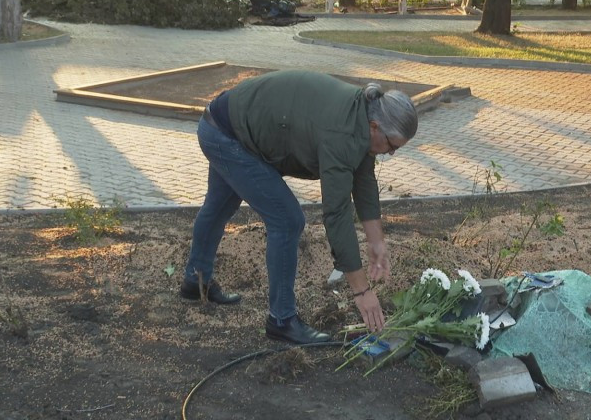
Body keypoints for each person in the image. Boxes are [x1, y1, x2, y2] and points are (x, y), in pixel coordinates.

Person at [179, 70, 418, 345]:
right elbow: (337, 213)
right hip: (225, 134)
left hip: (228, 122)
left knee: (220, 206)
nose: (391, 153)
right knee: (287, 220)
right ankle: (281, 320)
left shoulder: (361, 117)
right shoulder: (341, 133)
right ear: (375, 126)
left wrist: (377, 242)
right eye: (392, 146)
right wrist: (361, 291)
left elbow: (363, 178)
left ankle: (194, 281)